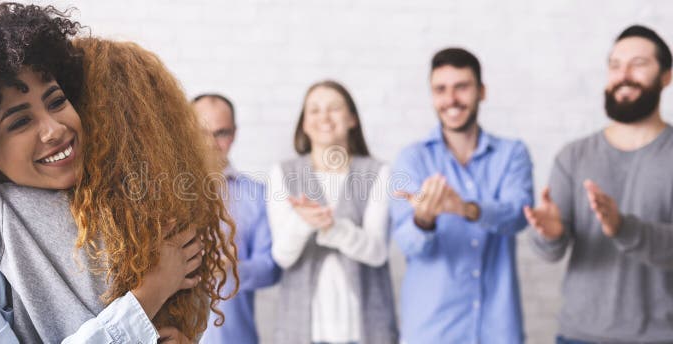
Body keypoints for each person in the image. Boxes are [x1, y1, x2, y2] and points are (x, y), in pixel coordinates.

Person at [0, 3, 235, 342]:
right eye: (20, 122)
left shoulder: (105, 216)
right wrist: (147, 298)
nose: (54, 129)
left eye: (57, 102)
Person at [525, 25, 673, 343]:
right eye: (615, 65)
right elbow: (550, 252)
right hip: (580, 336)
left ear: (666, 76)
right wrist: (550, 234)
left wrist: (622, 227)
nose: (624, 74)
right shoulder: (573, 156)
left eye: (638, 64)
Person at [389, 48, 533, 343]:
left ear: (482, 91)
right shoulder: (412, 159)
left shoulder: (511, 154)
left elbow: (519, 215)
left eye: (461, 87)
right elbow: (408, 244)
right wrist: (424, 219)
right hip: (431, 331)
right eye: (440, 89)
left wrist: (467, 209)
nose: (451, 99)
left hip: (498, 330)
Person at [267, 80, 397, 344]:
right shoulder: (282, 173)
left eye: (334, 108)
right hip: (301, 331)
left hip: (366, 331)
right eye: (314, 110)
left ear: (352, 119)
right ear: (304, 123)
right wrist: (303, 224)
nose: (324, 117)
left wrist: (330, 227)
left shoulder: (377, 172)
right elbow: (282, 256)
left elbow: (377, 252)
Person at [193, 93, 281, 344]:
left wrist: (234, 269)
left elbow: (272, 268)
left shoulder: (257, 195)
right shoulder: (162, 194)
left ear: (234, 134)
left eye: (220, 133)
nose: (210, 143)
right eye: (200, 132)